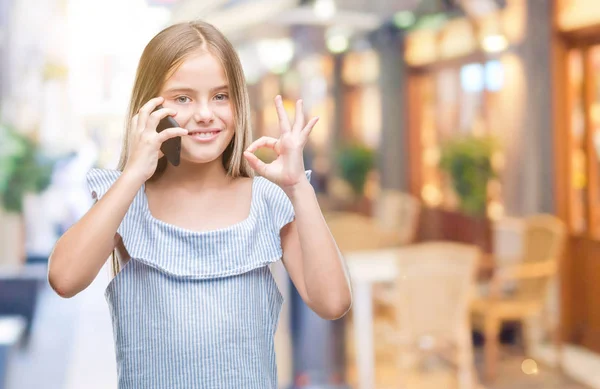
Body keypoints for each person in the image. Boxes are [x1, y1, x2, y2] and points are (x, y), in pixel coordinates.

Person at [47, 20, 352, 388]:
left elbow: (332, 302)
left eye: (221, 96)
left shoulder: (266, 200)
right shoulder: (126, 199)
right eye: (183, 98)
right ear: (150, 107)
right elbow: (64, 279)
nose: (205, 113)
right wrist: (132, 175)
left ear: (238, 103)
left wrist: (298, 188)